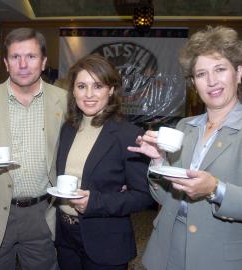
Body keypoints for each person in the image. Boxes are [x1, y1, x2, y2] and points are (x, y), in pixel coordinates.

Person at [128, 25, 242, 270]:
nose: (212, 81)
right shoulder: (185, 126)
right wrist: (158, 162)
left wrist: (217, 190)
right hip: (168, 252)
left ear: (238, 73)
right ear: (194, 83)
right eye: (201, 74)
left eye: (220, 69)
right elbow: (166, 197)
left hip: (222, 259)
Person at [0, 28, 67, 269]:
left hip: (44, 213)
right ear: (6, 63)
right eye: (15, 57)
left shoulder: (65, 100)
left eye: (31, 56)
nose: (23, 64)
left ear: (43, 62)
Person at [55, 54, 154, 270]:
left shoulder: (128, 134)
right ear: (73, 91)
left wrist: (95, 202)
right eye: (82, 86)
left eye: (97, 86)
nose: (88, 94)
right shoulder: (68, 129)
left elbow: (144, 196)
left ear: (111, 90)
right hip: (66, 239)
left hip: (106, 242)